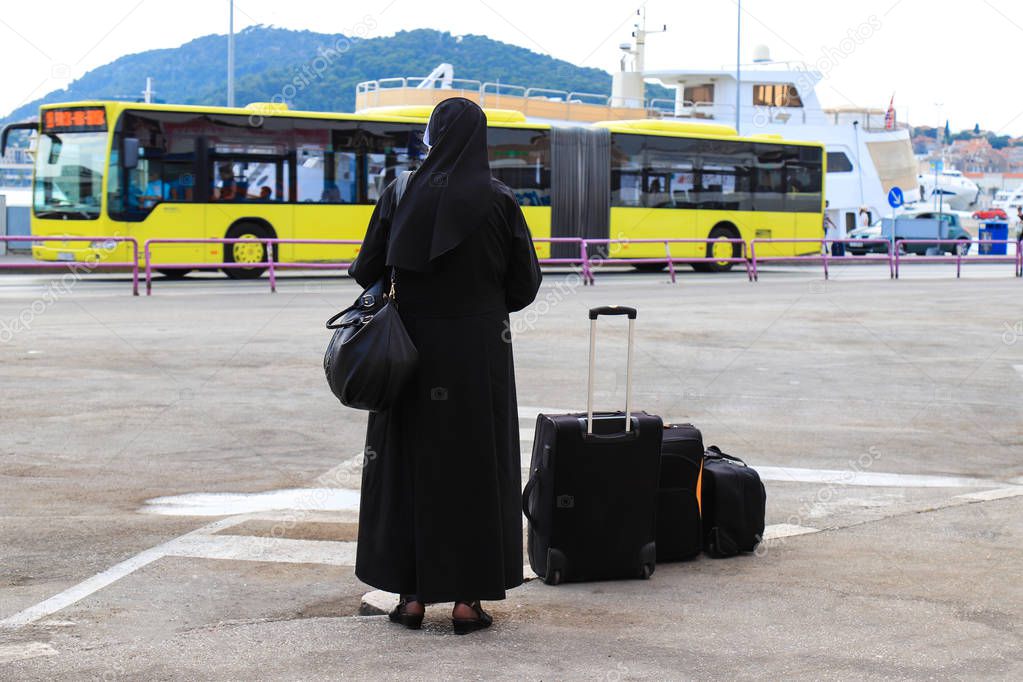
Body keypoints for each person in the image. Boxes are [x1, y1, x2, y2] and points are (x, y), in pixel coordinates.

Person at [347, 98, 542, 635]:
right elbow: (525, 286)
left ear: (431, 136)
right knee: (475, 469)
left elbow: (365, 268)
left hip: (406, 354)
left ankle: (409, 598)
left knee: (408, 466)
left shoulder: (399, 193)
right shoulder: (500, 201)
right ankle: (465, 603)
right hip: (477, 356)